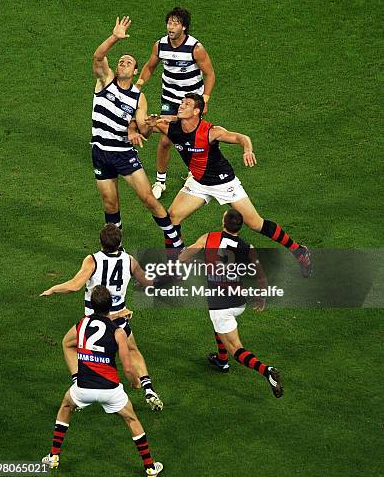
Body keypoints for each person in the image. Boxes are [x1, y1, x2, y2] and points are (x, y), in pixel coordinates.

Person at [144, 93, 312, 276]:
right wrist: (148, 124)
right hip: (198, 182)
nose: (181, 105)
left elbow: (241, 137)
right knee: (172, 218)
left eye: (187, 104)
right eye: (182, 102)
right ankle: (174, 263)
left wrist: (247, 150)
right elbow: (144, 129)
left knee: (255, 223)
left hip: (224, 182)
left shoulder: (211, 131)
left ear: (197, 111)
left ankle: (298, 250)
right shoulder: (170, 128)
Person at [41, 285, 163, 477]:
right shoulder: (119, 333)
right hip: (110, 390)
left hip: (83, 388)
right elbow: (128, 366)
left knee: (65, 406)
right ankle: (150, 467)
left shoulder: (81, 324)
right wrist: (135, 383)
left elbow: (71, 339)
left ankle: (53, 456)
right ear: (111, 305)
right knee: (132, 420)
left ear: (91, 304)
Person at [40, 223, 163, 411]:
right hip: (120, 318)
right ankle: (148, 389)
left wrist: (53, 289)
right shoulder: (129, 260)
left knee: (68, 344)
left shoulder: (92, 260)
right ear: (120, 242)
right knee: (132, 351)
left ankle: (78, 383)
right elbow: (148, 283)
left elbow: (74, 285)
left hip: (94, 321)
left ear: (100, 242)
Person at [91, 15, 183, 250]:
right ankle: (115, 248)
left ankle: (174, 240)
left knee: (148, 199)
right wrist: (114, 37)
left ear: (135, 72)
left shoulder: (137, 97)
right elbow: (98, 56)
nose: (123, 63)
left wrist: (149, 125)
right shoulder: (105, 81)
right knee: (110, 203)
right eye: (121, 61)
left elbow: (142, 130)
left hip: (123, 153)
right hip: (100, 152)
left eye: (128, 62)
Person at [179, 209, 283, 398]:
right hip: (238, 301)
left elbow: (183, 257)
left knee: (236, 348)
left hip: (221, 305)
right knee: (219, 328)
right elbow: (261, 277)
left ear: (223, 223)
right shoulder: (247, 247)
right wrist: (261, 297)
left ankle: (267, 371)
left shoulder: (209, 238)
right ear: (240, 227)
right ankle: (221, 360)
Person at [136, 7, 216, 199]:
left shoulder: (196, 48)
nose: (171, 27)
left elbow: (210, 74)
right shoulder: (160, 45)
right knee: (165, 139)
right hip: (170, 99)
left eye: (175, 23)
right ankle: (160, 182)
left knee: (191, 138)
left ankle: (193, 173)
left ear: (184, 27)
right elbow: (149, 66)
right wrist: (139, 83)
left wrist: (204, 99)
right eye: (169, 22)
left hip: (191, 102)